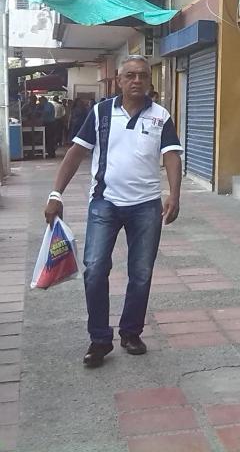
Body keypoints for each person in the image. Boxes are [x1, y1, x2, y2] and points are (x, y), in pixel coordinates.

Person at [43, 56, 183, 368]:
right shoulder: (100, 112)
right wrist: (55, 194)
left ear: (150, 81)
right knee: (94, 269)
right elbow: (76, 153)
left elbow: (171, 154)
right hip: (104, 202)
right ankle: (99, 339)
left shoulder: (161, 115)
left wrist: (174, 194)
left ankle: (131, 333)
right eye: (130, 75)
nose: (137, 80)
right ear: (118, 80)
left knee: (141, 273)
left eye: (143, 76)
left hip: (146, 206)